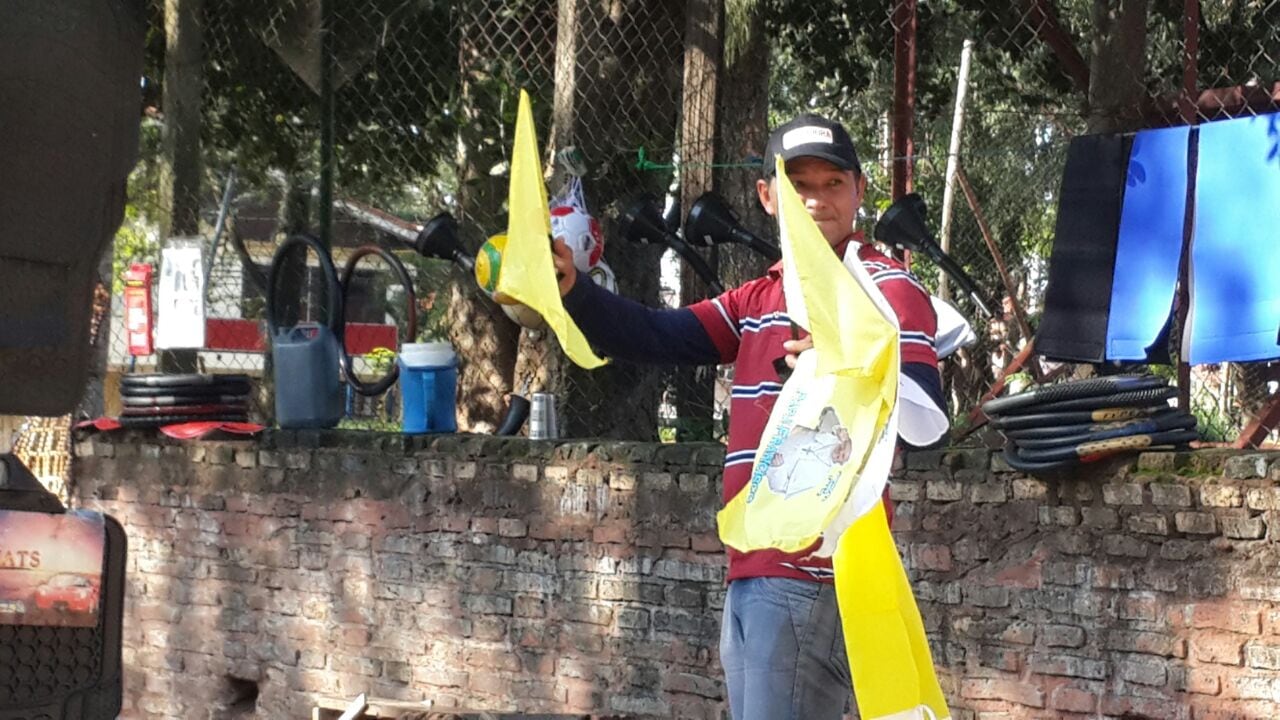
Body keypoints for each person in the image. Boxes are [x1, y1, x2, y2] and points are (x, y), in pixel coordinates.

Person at [551, 113, 947, 720]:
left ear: (860, 192)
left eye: (833, 183)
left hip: (814, 569)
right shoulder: (760, 296)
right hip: (755, 566)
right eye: (798, 185)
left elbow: (923, 410)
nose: (817, 201)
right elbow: (663, 335)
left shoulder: (885, 289)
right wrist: (573, 288)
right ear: (767, 196)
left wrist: (846, 360)